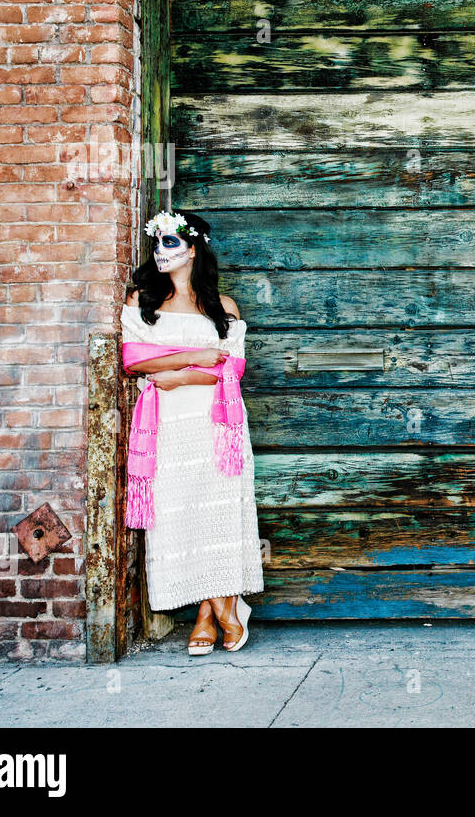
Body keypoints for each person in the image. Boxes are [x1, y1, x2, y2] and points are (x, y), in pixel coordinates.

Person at [120, 209, 263, 654]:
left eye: (170, 243)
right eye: (156, 242)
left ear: (193, 249)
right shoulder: (142, 301)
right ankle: (222, 611)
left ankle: (210, 613)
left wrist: (181, 372)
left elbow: (232, 371)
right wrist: (198, 357)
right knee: (183, 511)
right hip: (167, 425)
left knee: (217, 515)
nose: (161, 252)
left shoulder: (223, 307)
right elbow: (134, 361)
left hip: (218, 427)